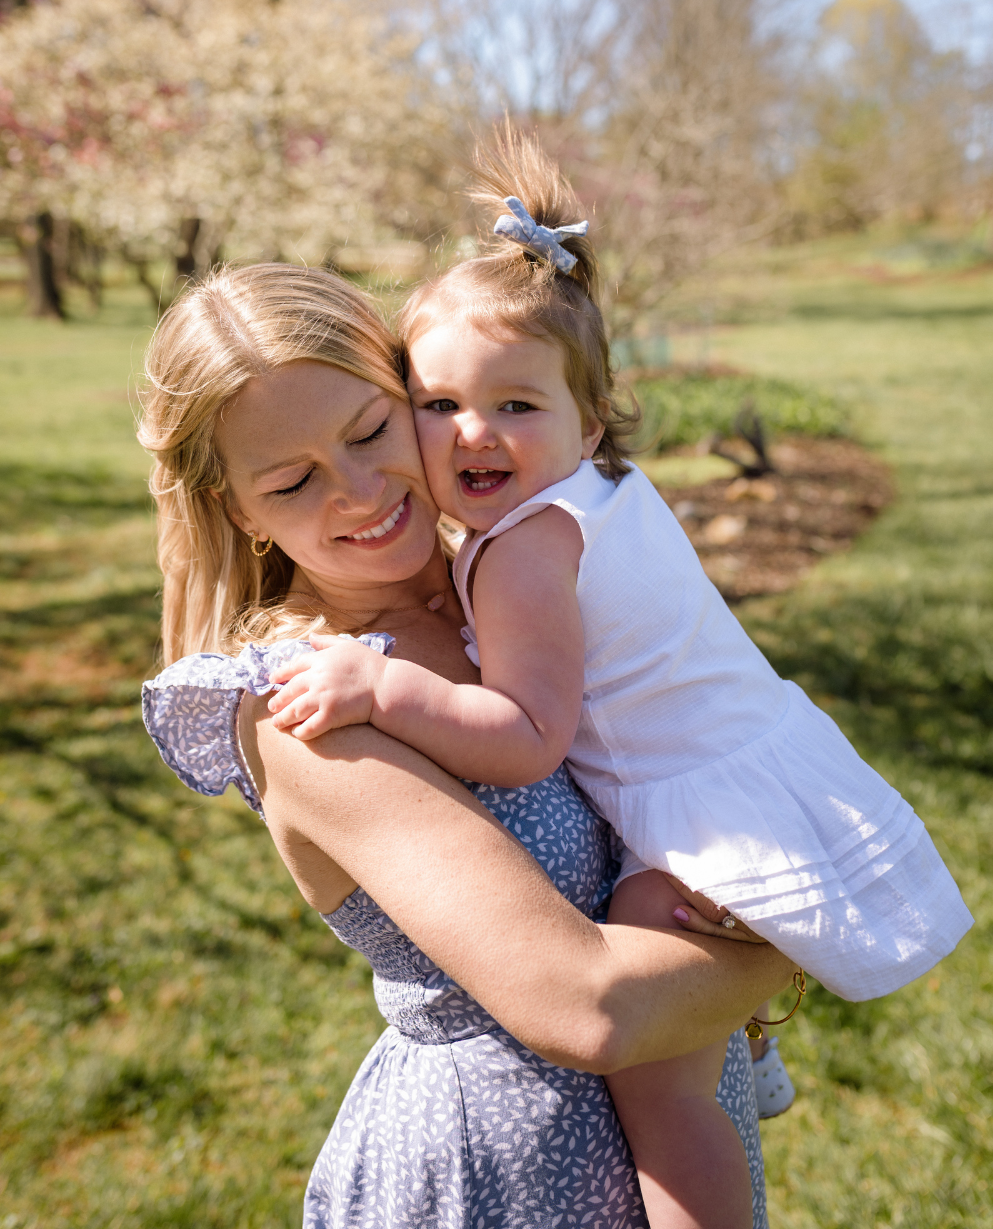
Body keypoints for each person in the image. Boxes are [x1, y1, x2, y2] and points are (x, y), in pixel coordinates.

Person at [267, 127, 974, 1229]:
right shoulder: (603, 496)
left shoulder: (519, 553)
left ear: (588, 420)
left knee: (665, 1090)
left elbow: (528, 733)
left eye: (515, 406)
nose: (472, 432)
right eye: (438, 402)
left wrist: (382, 689)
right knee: (689, 1048)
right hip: (755, 759)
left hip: (698, 807)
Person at [139, 260, 794, 1229]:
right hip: (504, 1167)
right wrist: (801, 933)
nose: (360, 492)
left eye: (371, 430)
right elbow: (586, 1008)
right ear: (239, 509)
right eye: (291, 481)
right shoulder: (307, 708)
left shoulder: (513, 580)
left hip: (671, 1107)